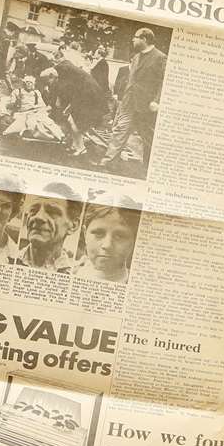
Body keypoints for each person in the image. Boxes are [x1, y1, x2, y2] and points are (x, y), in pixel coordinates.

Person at [100, 26, 166, 167]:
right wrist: (123, 102)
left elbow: (163, 82)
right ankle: (108, 161)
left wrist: (156, 101)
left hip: (146, 106)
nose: (133, 40)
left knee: (147, 137)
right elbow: (131, 81)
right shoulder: (136, 57)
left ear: (144, 39)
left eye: (135, 37)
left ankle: (149, 166)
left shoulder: (160, 57)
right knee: (119, 131)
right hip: (129, 103)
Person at [14, 182, 82, 270]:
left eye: (52, 212)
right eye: (33, 210)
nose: (38, 217)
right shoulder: (5, 258)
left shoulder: (77, 272)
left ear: (73, 226)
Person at [72, 200, 140, 282]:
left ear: (133, 241)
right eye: (98, 233)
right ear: (85, 234)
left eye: (120, 236)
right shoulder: (69, 272)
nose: (107, 245)